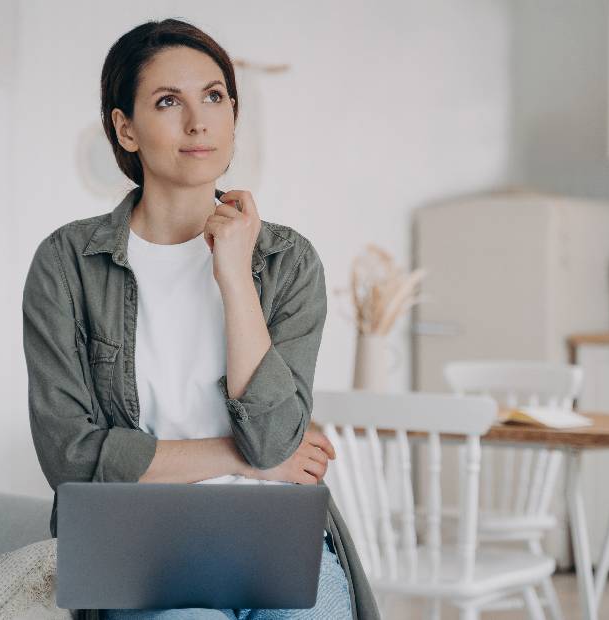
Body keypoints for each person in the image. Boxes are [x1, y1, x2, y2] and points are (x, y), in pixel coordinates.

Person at [21, 18, 380, 620]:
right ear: (125, 129)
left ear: (234, 114)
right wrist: (237, 458)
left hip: (278, 537)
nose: (199, 122)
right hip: (141, 546)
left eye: (214, 96)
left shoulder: (286, 262)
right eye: (168, 102)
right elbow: (72, 459)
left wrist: (235, 276)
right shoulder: (67, 264)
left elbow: (273, 437)